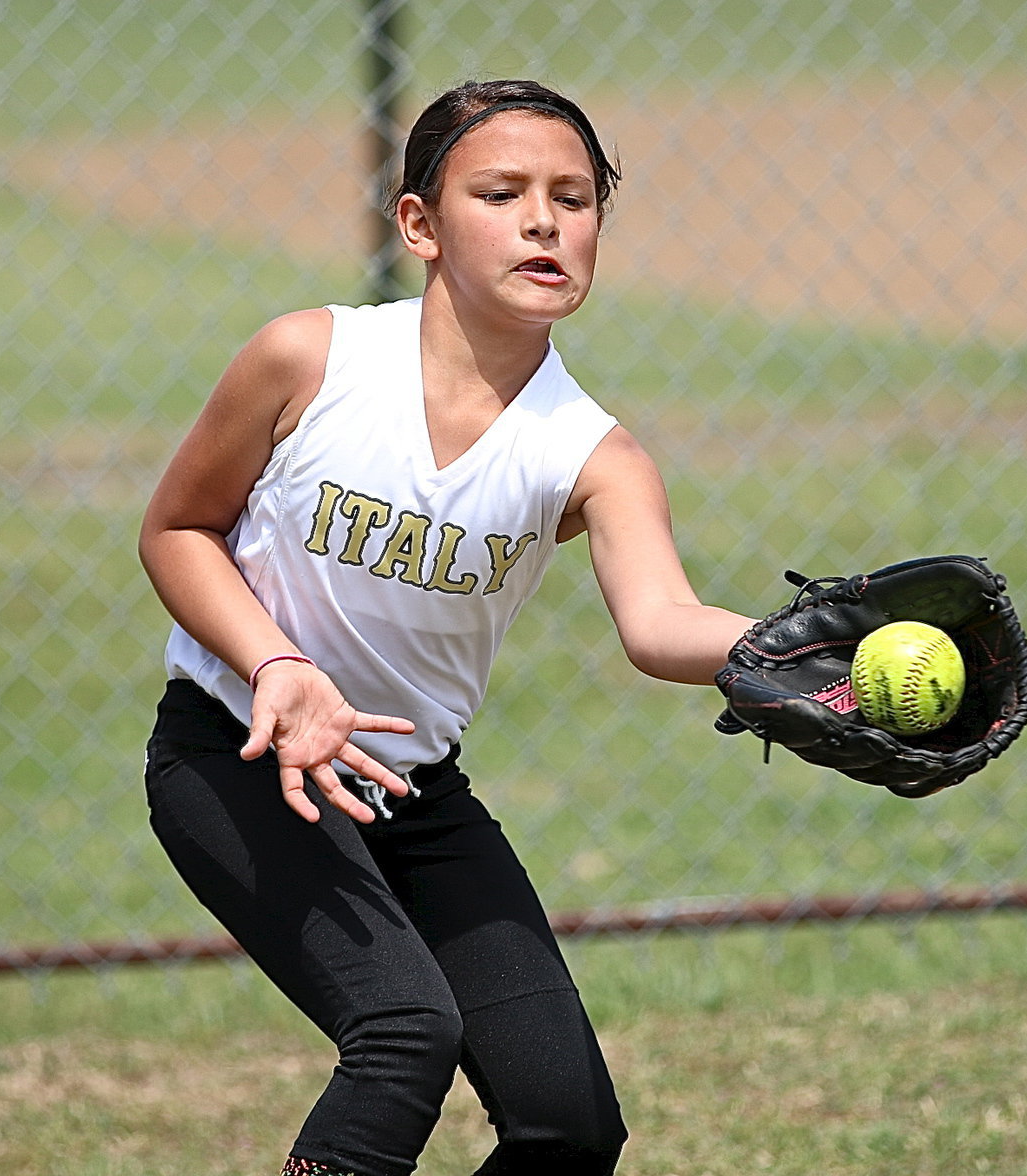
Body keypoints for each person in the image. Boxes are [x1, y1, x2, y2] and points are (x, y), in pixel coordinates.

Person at [140, 78, 753, 1176]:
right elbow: (179, 529)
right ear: (419, 224)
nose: (543, 220)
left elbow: (661, 623)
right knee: (402, 1033)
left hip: (411, 794)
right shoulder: (310, 361)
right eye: (501, 191)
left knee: (568, 1124)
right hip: (237, 755)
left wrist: (800, 647)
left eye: (575, 197)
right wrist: (276, 663)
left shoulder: (590, 453)